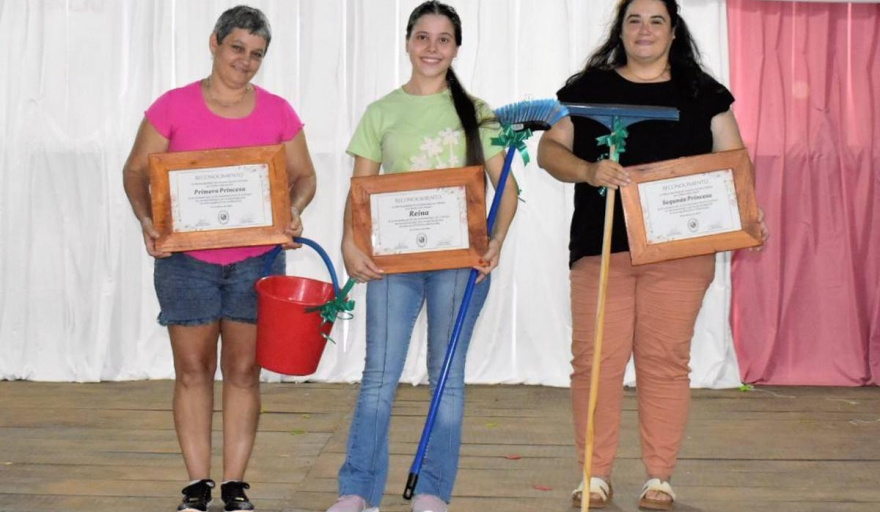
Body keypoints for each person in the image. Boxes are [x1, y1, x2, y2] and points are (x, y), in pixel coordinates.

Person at [537, 0, 768, 510]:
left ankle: (659, 477)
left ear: (673, 30)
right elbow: (549, 152)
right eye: (634, 20)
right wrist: (588, 171)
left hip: (680, 253)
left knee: (665, 362)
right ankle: (594, 475)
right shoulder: (586, 90)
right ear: (620, 30)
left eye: (656, 20)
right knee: (596, 362)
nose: (644, 29)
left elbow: (735, 163)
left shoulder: (703, 92)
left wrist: (748, 214)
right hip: (601, 249)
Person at [122, 6, 317, 512]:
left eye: (256, 55)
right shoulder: (172, 106)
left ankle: (234, 484)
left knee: (244, 370)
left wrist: (292, 213)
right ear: (214, 43)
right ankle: (196, 484)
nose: (245, 62)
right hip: (186, 261)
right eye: (237, 49)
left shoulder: (277, 111)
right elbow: (135, 171)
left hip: (257, 260)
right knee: (191, 370)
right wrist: (148, 221)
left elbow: (304, 177)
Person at [326, 2, 518, 512]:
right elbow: (361, 188)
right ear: (408, 41)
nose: (432, 48)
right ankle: (357, 491)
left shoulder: (477, 112)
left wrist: (495, 240)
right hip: (392, 262)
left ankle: (433, 491)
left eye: (444, 39)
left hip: (462, 263)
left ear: (457, 47)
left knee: (446, 375)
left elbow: (508, 189)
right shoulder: (381, 111)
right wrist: (350, 242)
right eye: (423, 37)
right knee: (379, 376)